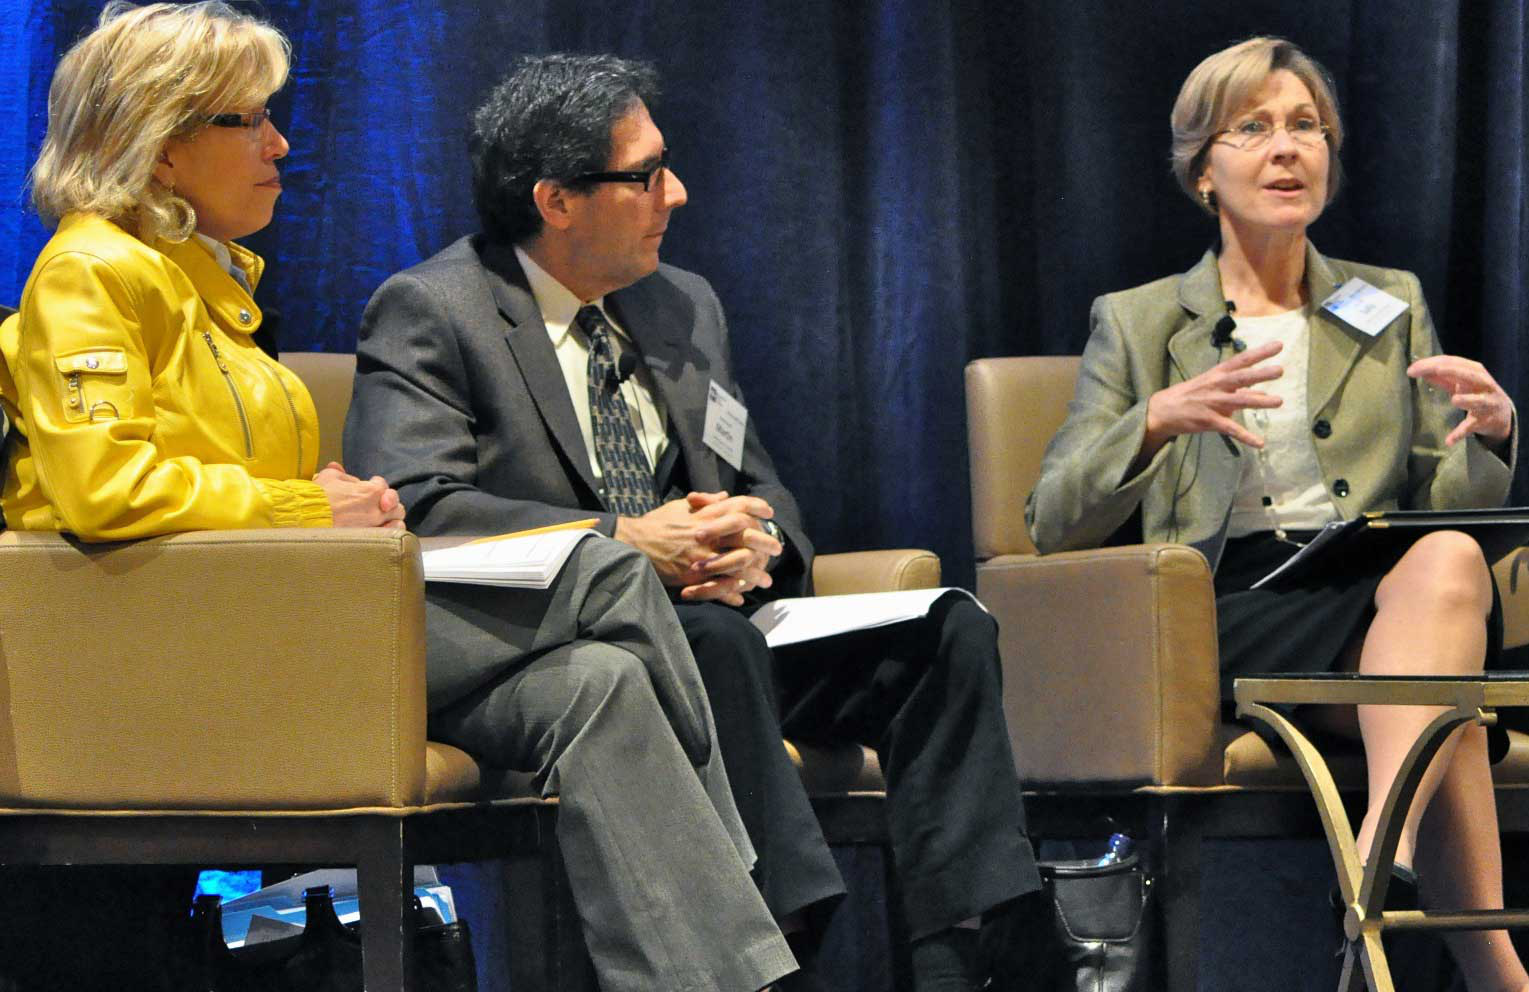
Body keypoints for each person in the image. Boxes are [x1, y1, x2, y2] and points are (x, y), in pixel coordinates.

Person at [0, 5, 796, 991]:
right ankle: (751, 887)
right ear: (160, 149)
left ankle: (712, 977)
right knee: (603, 566)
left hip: (264, 619)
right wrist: (302, 510)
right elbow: (98, 483)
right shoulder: (91, 271)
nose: (279, 143)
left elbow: (203, 475)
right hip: (182, 654)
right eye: (246, 121)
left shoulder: (201, 284)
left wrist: (323, 496)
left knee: (599, 682)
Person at [343, 53, 1044, 992]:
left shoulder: (683, 304)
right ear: (556, 201)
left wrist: (753, 543)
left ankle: (972, 955)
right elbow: (417, 508)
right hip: (572, 636)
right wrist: (628, 539)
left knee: (945, 630)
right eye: (645, 175)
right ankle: (776, 940)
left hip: (725, 617)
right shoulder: (435, 311)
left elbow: (761, 482)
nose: (677, 191)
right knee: (712, 640)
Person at [1026, 36, 1529, 991]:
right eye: (1252, 128)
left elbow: (1448, 507)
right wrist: (1156, 419)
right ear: (1202, 171)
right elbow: (1053, 517)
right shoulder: (1137, 322)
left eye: (1306, 126)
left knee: (1452, 561)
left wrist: (1488, 437)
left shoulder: (1390, 303)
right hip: (1226, 607)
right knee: (1448, 715)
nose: (1286, 147)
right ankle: (1480, 957)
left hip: (1382, 600)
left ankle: (1378, 859)